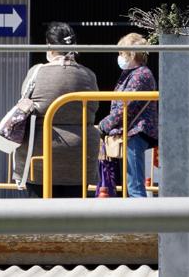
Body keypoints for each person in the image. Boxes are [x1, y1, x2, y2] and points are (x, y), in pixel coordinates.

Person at [13, 22, 100, 198]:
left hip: (41, 155)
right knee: (73, 217)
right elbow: (94, 107)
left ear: (49, 46)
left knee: (41, 216)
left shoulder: (37, 72)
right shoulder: (89, 75)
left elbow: (24, 102)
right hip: (79, 156)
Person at [98, 33, 159, 198]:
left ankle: (141, 222)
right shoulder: (134, 73)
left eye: (121, 53)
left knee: (135, 186)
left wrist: (104, 125)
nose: (119, 57)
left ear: (131, 54)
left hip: (135, 133)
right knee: (131, 183)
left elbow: (125, 107)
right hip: (131, 132)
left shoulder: (140, 75)